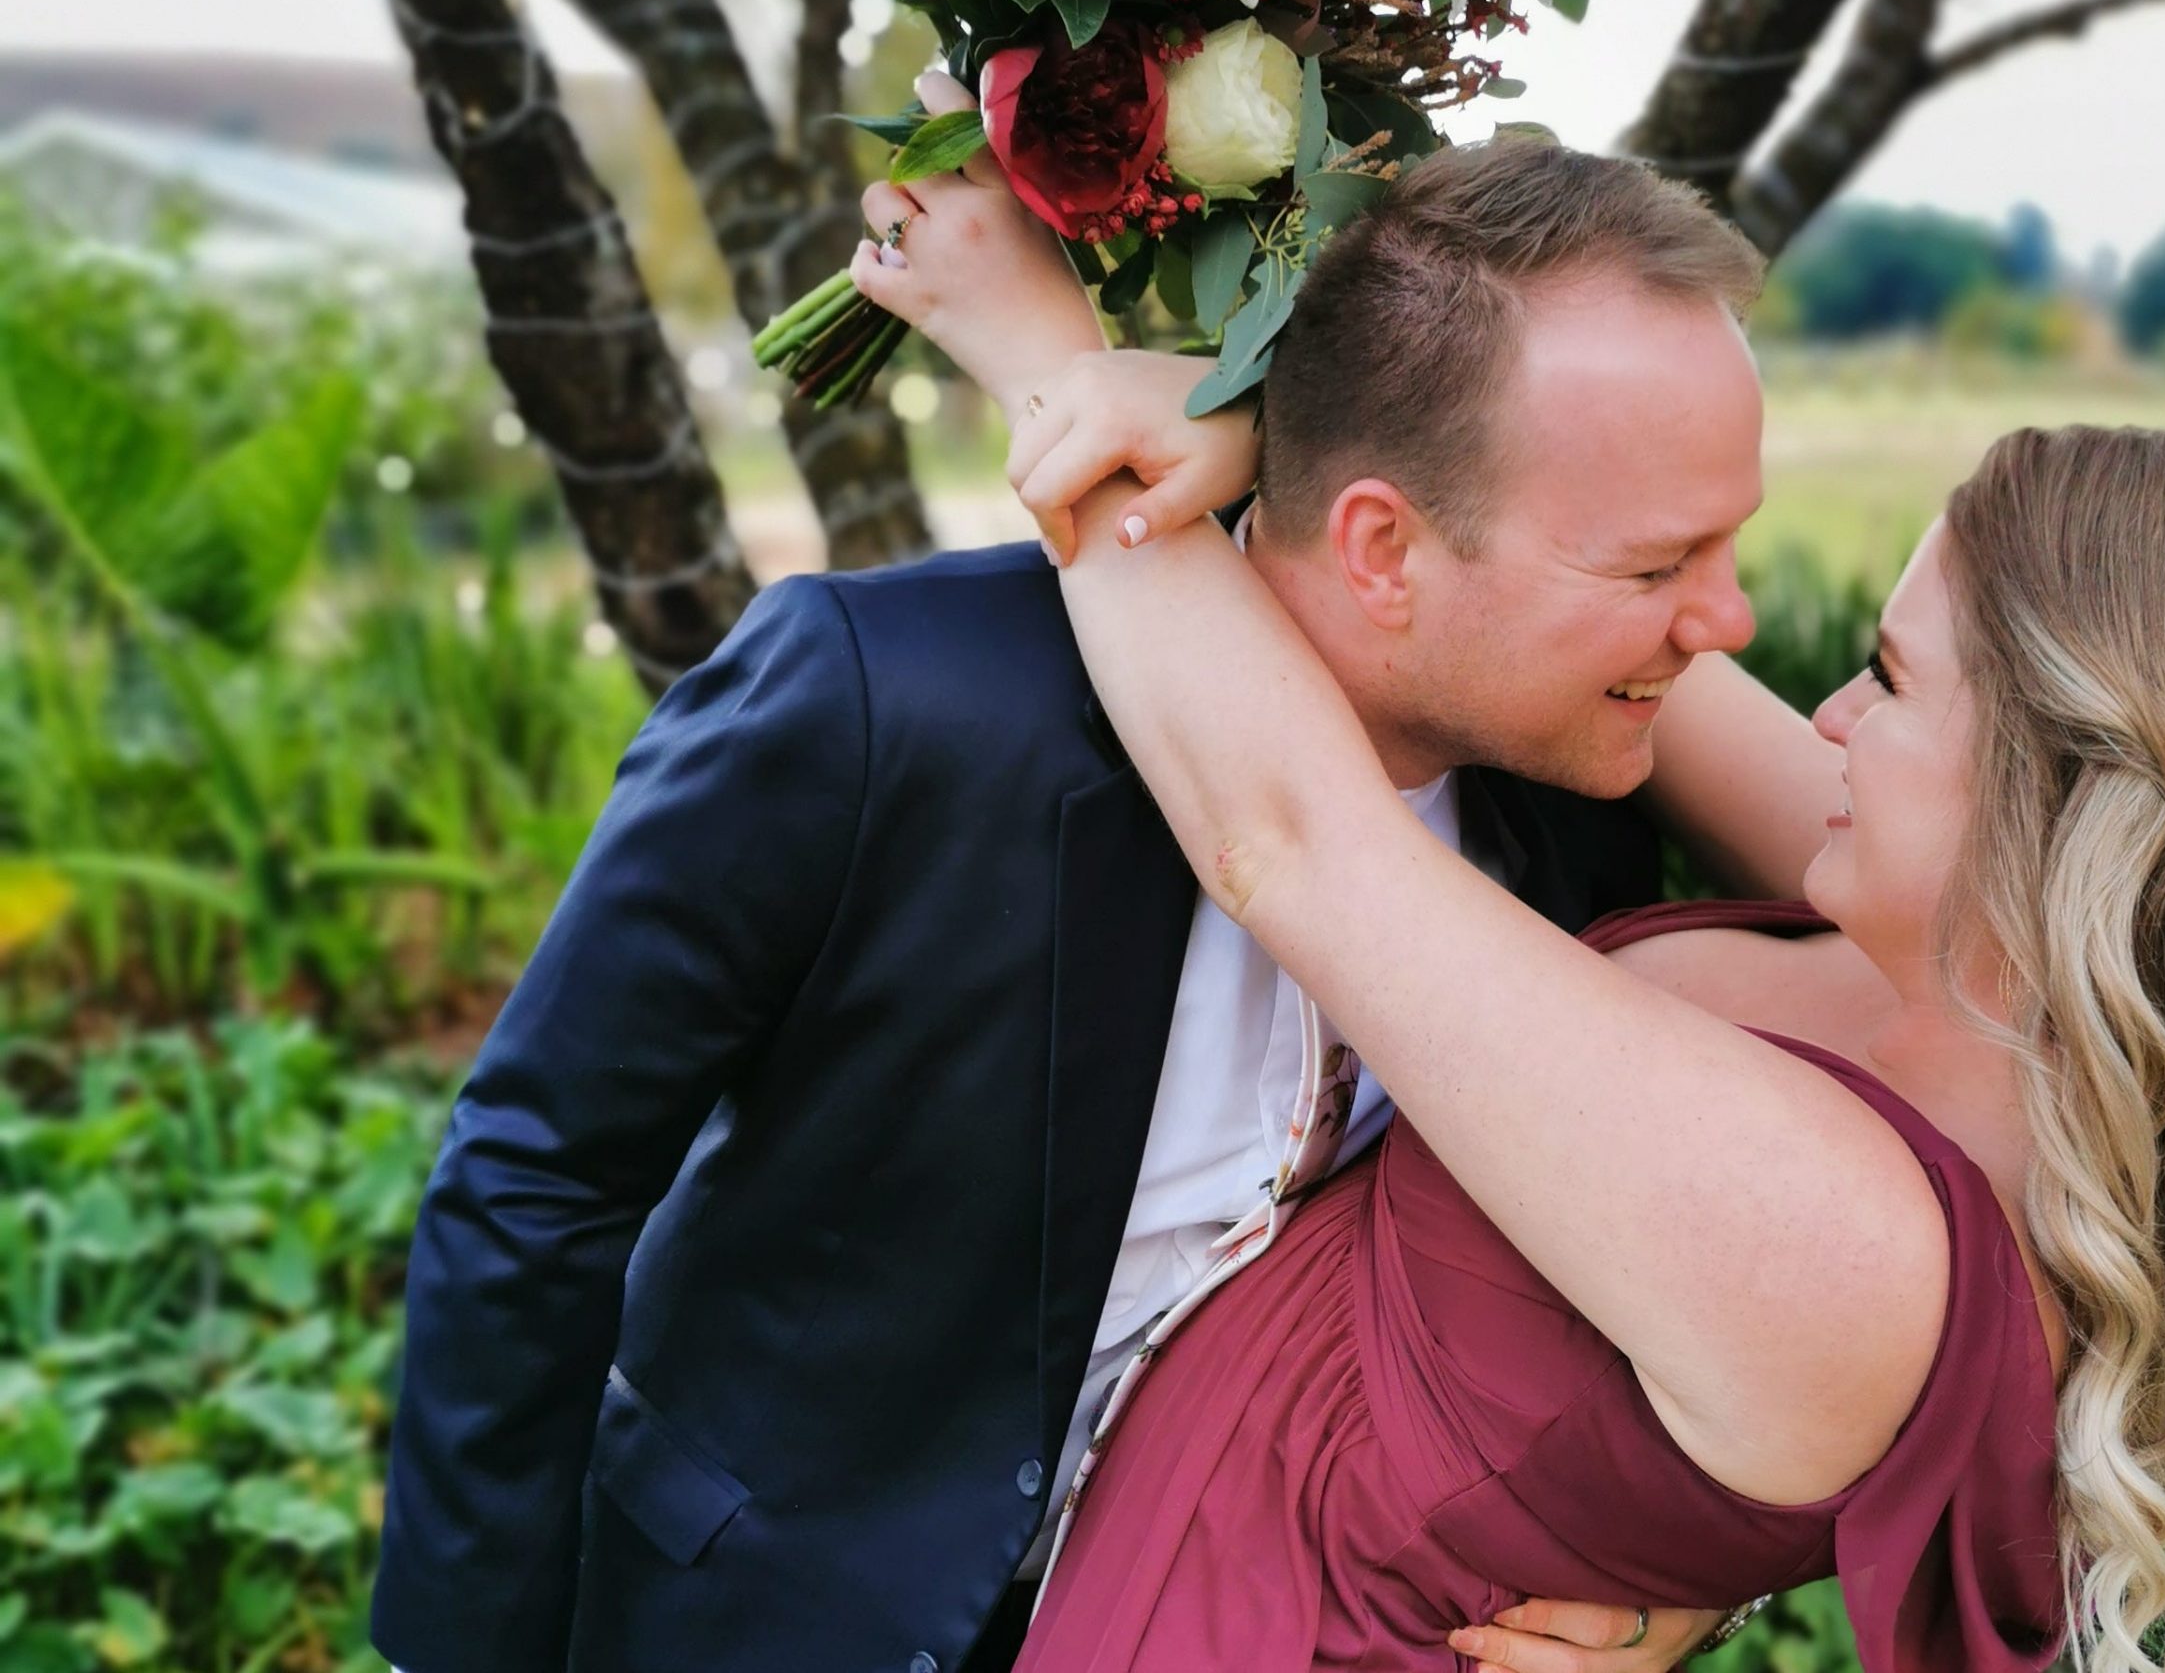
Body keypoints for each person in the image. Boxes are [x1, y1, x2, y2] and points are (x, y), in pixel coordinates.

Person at [856, 124, 2165, 1672]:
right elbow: (1566, 594)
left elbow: (1294, 842)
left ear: (2047, 813)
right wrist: (1292, 423)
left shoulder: (1845, 1248)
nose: (1816, 707)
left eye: (1890, 681)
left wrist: (1046, 362)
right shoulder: (1977, 988)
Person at [369, 113, 1841, 1671]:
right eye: (1653, 566)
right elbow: (537, 1173)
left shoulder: (1574, 806)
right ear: (1384, 550)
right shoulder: (879, 704)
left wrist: (1673, 1592)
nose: (1727, 620)